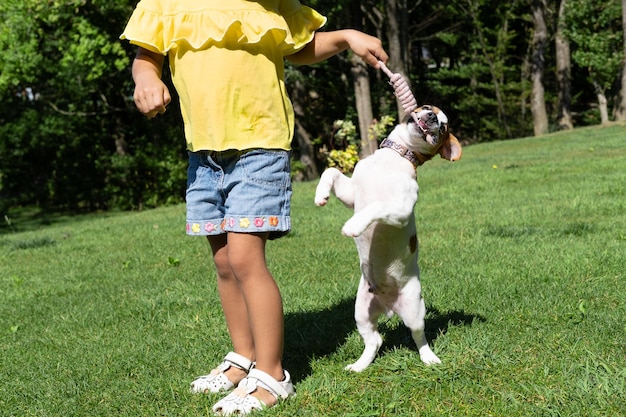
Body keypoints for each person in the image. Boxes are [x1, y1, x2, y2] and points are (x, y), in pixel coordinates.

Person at [121, 0, 388, 414]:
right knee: (225, 261)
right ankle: (243, 358)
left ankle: (272, 376)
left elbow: (299, 46)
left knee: (246, 258)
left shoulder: (270, 3)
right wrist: (146, 79)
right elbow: (147, 56)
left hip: (259, 146)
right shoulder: (164, 3)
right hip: (203, 153)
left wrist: (346, 36)